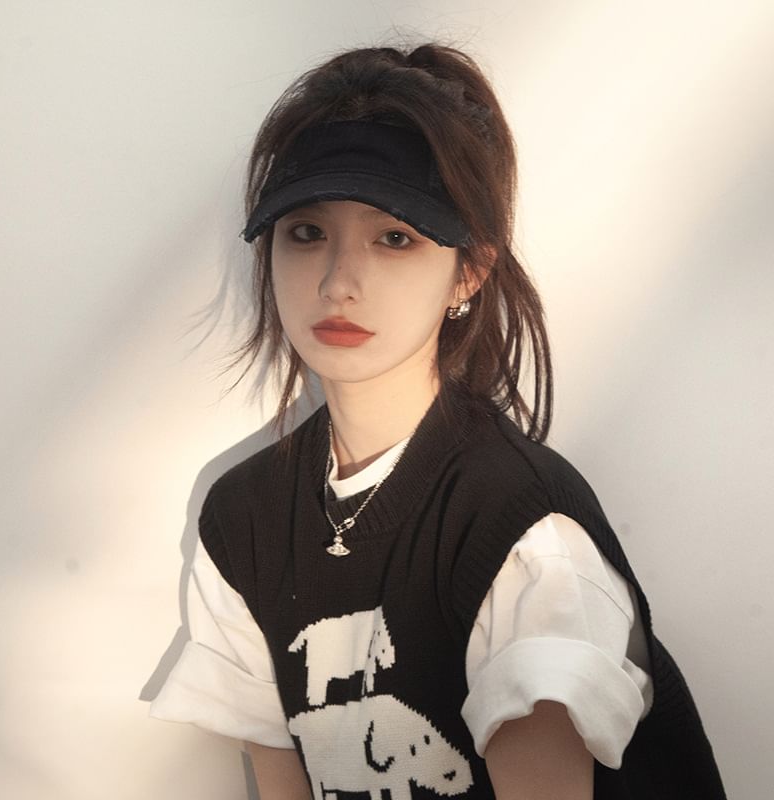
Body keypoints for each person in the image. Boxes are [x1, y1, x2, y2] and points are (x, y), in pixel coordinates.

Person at [149, 44, 726, 799]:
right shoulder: (242, 516)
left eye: (395, 238)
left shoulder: (522, 532)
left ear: (469, 271)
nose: (338, 282)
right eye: (306, 232)